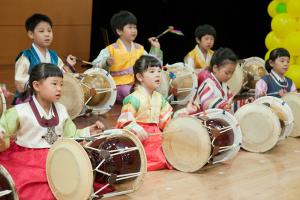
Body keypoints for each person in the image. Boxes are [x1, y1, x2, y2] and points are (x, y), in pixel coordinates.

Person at [0, 63, 105, 200]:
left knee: (78, 182)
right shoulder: (20, 111)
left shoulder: (61, 110)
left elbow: (71, 135)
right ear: (37, 86)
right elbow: (3, 128)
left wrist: (89, 131)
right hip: (27, 161)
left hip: (58, 155)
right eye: (54, 84)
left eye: (61, 84)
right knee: (36, 189)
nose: (59, 89)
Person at [115, 55, 174, 171]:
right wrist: (135, 128)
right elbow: (124, 122)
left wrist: (185, 112)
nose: (157, 74)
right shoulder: (133, 98)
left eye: (159, 71)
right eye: (152, 71)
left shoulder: (160, 98)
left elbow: (166, 123)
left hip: (155, 137)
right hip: (139, 139)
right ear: (140, 76)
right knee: (153, 159)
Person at [92, 10, 163, 103]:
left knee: (157, 86)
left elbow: (153, 65)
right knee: (127, 90)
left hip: (137, 85)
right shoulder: (110, 50)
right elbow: (94, 67)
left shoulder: (139, 49)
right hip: (118, 88)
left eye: (135, 27)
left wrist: (155, 48)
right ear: (119, 31)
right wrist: (106, 62)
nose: (134, 30)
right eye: (130, 27)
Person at [14, 13, 77, 105]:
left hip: (50, 98)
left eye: (49, 30)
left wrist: (69, 65)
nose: (47, 34)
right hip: (30, 99)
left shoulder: (54, 56)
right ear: (31, 34)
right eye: (41, 31)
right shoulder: (26, 56)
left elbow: (61, 74)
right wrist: (41, 86)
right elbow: (20, 80)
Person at [195, 47, 253, 113]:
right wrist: (223, 105)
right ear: (215, 68)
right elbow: (206, 103)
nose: (229, 76)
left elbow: (230, 103)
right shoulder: (207, 82)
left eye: (232, 73)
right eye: (227, 73)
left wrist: (244, 103)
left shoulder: (224, 85)